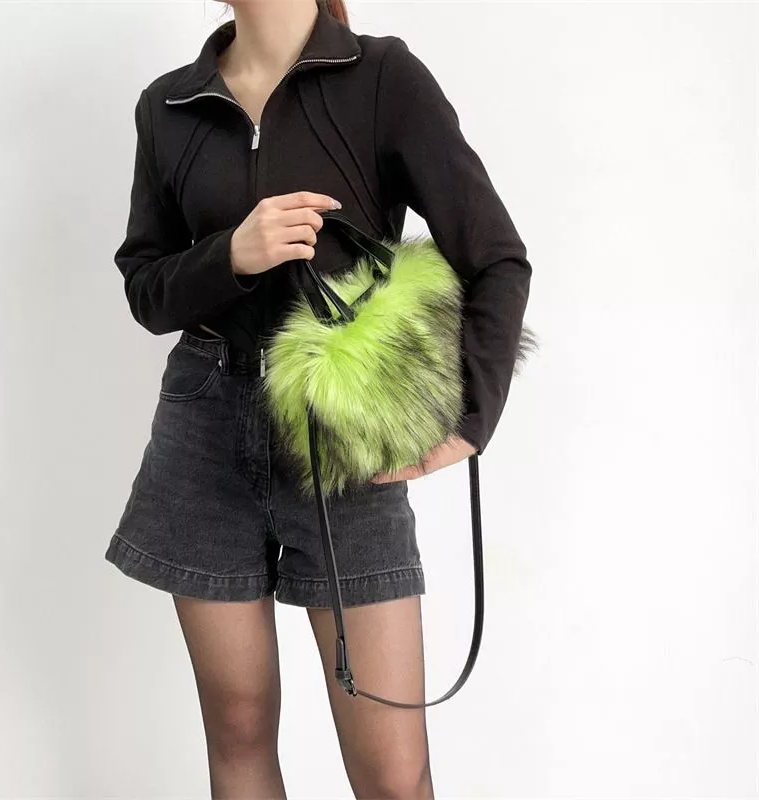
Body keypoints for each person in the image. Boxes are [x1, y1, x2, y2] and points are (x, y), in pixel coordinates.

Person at [104, 0, 532, 796]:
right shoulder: (168, 104)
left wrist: (470, 420)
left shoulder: (382, 76)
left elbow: (497, 256)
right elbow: (146, 289)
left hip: (342, 432)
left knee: (394, 772)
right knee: (237, 729)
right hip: (203, 429)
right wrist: (232, 254)